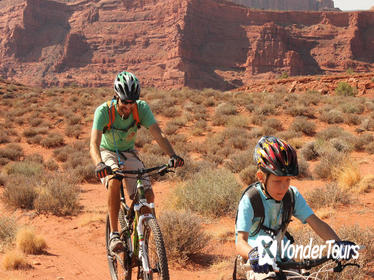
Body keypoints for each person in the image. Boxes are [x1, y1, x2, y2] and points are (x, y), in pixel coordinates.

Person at [235, 136, 356, 280]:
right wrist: (253, 255)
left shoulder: (292, 195)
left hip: (284, 256)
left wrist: (338, 243)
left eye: (287, 180)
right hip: (258, 261)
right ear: (261, 177)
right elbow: (240, 241)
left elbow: (316, 223)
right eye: (277, 181)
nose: (283, 187)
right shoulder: (250, 199)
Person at [90, 71, 184, 253]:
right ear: (116, 96)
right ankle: (114, 234)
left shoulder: (141, 108)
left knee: (147, 196)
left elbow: (157, 133)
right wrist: (99, 164)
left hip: (129, 152)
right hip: (107, 151)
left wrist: (172, 154)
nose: (129, 106)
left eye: (133, 101)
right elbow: (93, 144)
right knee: (114, 179)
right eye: (125, 102)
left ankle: (143, 242)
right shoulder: (103, 112)